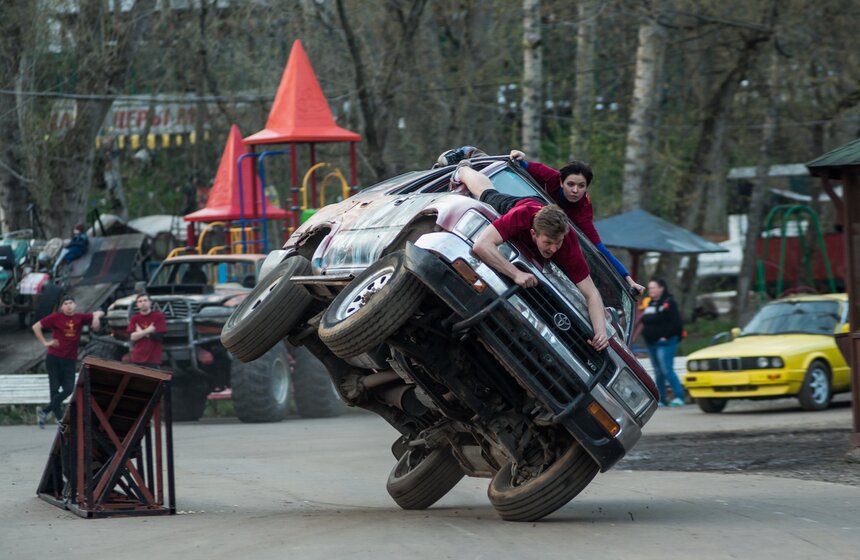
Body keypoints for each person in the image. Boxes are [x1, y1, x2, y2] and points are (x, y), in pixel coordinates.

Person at [435, 145, 644, 295]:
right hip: (528, 206)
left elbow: (601, 251)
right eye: (571, 184)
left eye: (581, 186)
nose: (575, 190)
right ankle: (468, 157)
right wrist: (517, 155)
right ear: (560, 181)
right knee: (491, 192)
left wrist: (627, 279)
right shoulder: (549, 176)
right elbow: (517, 164)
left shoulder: (582, 213)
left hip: (547, 224)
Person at [454, 162, 609, 351]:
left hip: (548, 214)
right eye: (548, 243)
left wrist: (600, 331)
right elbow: (482, 245)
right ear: (534, 234)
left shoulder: (568, 242)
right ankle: (463, 169)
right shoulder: (521, 215)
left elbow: (591, 293)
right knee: (486, 194)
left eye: (557, 243)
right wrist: (515, 274)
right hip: (528, 206)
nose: (553, 249)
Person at [32, 295, 104, 428]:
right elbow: (36, 326)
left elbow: (99, 312)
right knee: (54, 389)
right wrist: (46, 342)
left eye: (71, 303)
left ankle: (44, 411)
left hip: (70, 359)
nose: (69, 305)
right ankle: (59, 419)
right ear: (61, 307)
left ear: (75, 305)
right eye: (65, 303)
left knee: (69, 389)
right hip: (54, 357)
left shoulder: (80, 317)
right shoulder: (56, 317)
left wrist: (96, 317)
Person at [640, 278, 686, 406]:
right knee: (658, 371)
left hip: (666, 343)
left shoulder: (669, 302)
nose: (651, 290)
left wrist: (666, 336)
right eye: (650, 288)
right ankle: (662, 398)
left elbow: (676, 323)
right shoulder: (650, 303)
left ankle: (679, 396)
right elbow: (645, 320)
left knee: (666, 369)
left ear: (661, 288)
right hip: (652, 342)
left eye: (654, 287)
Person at [128, 293, 166, 367]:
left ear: (150, 302)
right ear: (137, 304)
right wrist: (148, 330)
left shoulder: (159, 316)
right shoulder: (135, 318)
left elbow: (159, 336)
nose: (143, 303)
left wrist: (140, 333)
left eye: (145, 300)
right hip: (137, 357)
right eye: (140, 301)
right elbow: (132, 337)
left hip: (153, 358)